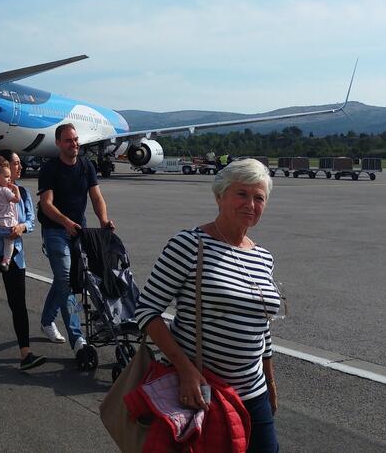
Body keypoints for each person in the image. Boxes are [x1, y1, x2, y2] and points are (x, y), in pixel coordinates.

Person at [134, 158, 283, 453]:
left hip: (254, 394)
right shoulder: (190, 245)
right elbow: (147, 310)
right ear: (220, 196)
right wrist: (185, 370)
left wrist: (271, 387)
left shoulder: (263, 257)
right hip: (202, 392)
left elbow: (262, 330)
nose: (250, 204)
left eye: (259, 197)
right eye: (241, 194)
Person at [37, 123, 114, 359]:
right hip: (55, 230)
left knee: (66, 277)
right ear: (59, 143)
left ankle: (46, 321)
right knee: (66, 280)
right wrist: (65, 222)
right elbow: (46, 204)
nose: (75, 144)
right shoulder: (49, 169)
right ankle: (78, 338)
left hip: (78, 230)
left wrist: (103, 220)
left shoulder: (86, 165)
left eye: (76, 139)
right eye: (69, 141)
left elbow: (96, 196)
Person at [0, 150, 46, 371]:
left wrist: (22, 227)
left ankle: (26, 353)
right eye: (16, 163)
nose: (20, 167)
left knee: (18, 303)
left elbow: (31, 220)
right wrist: (4, 231)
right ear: (4, 169)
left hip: (14, 254)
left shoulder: (22, 192)